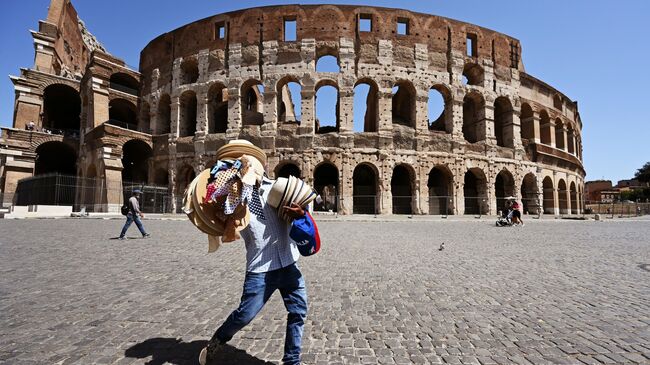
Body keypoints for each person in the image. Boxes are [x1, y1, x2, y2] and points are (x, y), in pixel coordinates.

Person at [199, 157, 309, 365]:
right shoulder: (233, 197)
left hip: (288, 263)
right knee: (244, 315)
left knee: (298, 311)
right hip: (260, 267)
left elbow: (304, 207)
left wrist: (301, 213)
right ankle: (218, 340)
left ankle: (292, 361)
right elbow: (215, 218)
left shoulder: (280, 188)